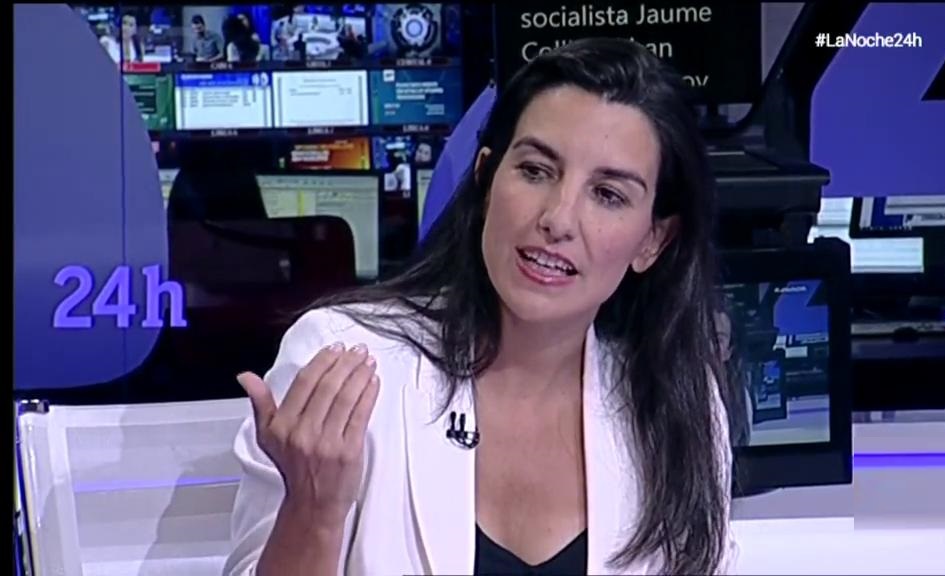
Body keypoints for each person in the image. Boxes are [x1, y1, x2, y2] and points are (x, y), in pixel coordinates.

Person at [223, 37, 739, 576]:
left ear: (653, 240)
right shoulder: (347, 361)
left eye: (608, 194)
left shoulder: (675, 402)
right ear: (486, 178)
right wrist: (313, 511)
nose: (558, 219)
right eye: (536, 171)